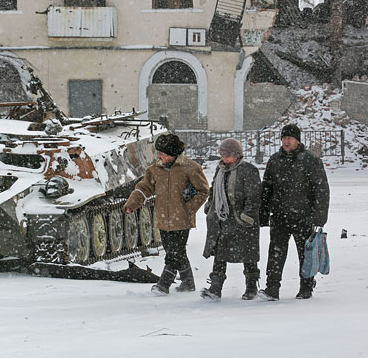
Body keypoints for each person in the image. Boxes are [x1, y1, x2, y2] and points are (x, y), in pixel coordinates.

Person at [124, 134, 209, 295]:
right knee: (176, 252)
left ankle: (163, 284)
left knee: (173, 254)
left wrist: (188, 209)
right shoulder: (155, 170)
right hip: (163, 220)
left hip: (182, 220)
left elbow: (203, 191)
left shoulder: (191, 168)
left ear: (172, 154)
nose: (159, 156)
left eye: (162, 154)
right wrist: (132, 204)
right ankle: (188, 282)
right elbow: (144, 188)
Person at [258, 124, 330, 301]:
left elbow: (321, 189)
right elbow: (266, 187)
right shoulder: (275, 160)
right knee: (276, 253)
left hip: (303, 216)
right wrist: (263, 212)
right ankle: (272, 288)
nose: (286, 141)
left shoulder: (310, 160)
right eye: (284, 138)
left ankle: (306, 286)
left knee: (305, 253)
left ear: (297, 140)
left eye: (290, 138)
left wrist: (319, 216)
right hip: (279, 215)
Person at [201, 138, 262, 301]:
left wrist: (246, 216)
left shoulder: (248, 170)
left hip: (243, 221)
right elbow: (214, 189)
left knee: (248, 255)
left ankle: (251, 287)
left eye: (228, 156)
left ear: (237, 155)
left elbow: (254, 196)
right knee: (220, 254)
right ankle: (215, 288)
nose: (225, 159)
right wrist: (210, 205)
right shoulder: (220, 169)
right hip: (223, 219)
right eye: (223, 156)